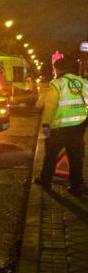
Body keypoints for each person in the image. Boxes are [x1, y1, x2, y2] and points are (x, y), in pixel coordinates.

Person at [36, 56, 88, 196]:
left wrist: (46, 124)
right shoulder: (83, 82)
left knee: (51, 156)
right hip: (78, 127)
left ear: (56, 68)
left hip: (59, 128)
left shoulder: (57, 84)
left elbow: (50, 107)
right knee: (76, 158)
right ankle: (76, 186)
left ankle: (45, 181)